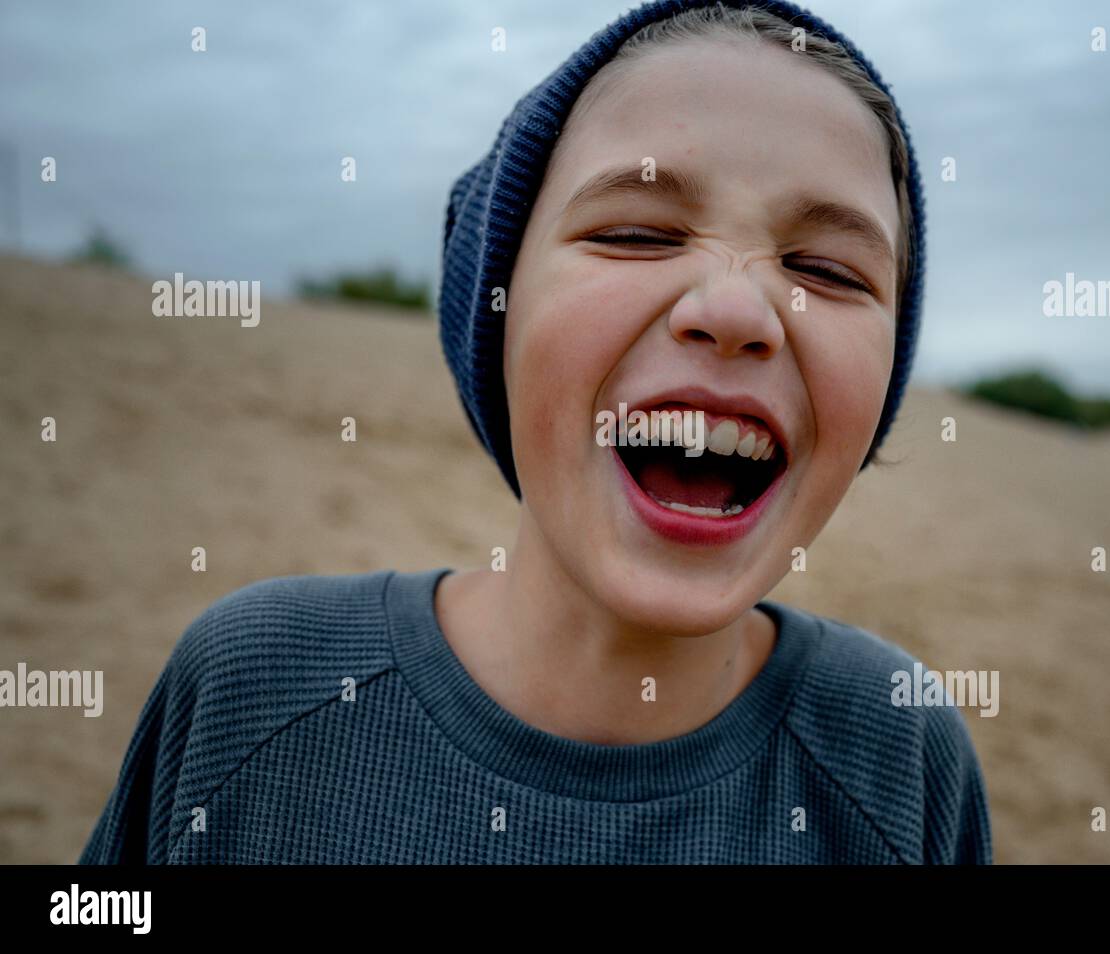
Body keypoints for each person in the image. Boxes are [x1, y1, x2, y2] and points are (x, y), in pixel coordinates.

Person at [81, 0, 993, 865]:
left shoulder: (901, 750)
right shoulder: (256, 677)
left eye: (828, 270)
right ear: (498, 314)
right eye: (636, 233)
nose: (735, 306)